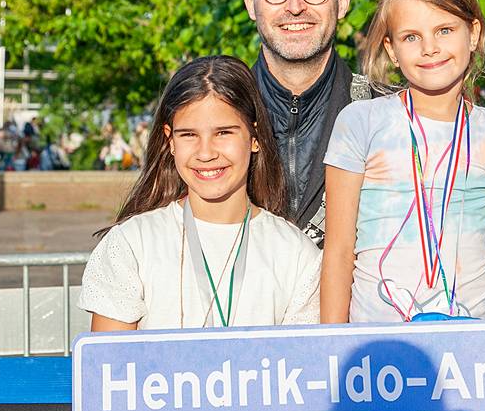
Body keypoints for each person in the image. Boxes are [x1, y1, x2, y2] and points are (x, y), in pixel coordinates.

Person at [320, 0, 485, 323]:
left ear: (473, 34)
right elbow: (338, 253)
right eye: (411, 37)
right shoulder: (359, 123)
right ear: (392, 51)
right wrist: (333, 346)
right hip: (377, 341)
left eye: (444, 30)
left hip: (475, 339)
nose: (429, 48)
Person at [78, 56, 321, 331]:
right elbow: (112, 356)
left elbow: (300, 355)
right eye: (189, 135)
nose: (206, 153)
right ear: (170, 141)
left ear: (254, 138)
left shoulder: (296, 254)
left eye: (223, 133)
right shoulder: (131, 244)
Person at [244, 0, 369, 247]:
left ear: (342, 1)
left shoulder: (389, 115)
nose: (295, 5)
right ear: (251, 2)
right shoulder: (213, 116)